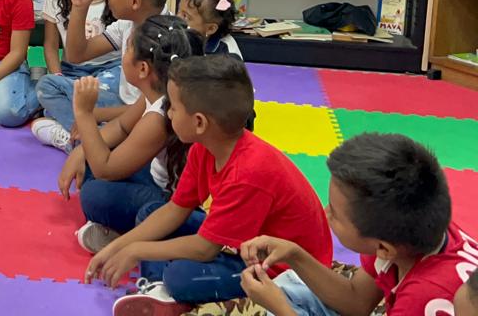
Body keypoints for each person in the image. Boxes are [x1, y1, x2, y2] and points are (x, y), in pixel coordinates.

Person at [90, 55, 332, 314]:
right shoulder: (204, 148)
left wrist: (137, 249)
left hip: (284, 270)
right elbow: (175, 209)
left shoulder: (248, 172)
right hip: (243, 244)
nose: (168, 113)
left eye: (173, 107)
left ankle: (168, 291)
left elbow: (205, 248)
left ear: (199, 122)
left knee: (181, 275)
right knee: (152, 212)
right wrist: (120, 245)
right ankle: (158, 288)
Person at [237, 133, 477, 316]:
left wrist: (281, 309)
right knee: (290, 287)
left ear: (383, 248)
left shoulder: (423, 298)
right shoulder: (406, 235)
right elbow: (356, 301)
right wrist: (294, 254)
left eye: (336, 214)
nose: (325, 212)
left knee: (283, 298)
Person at [59, 16, 203, 254]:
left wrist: (84, 114)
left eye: (126, 50)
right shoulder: (154, 93)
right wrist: (80, 150)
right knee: (95, 158)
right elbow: (122, 127)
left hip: (169, 199)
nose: (122, 57)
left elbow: (106, 168)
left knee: (94, 196)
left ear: (143, 69)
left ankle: (131, 235)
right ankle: (129, 231)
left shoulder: (160, 116)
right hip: (155, 178)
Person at [33, 0, 173, 151]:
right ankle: (94, 138)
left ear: (134, 2)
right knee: (47, 86)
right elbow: (76, 55)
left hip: (144, 117)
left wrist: (91, 115)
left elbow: (150, 109)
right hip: (121, 101)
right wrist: (80, 8)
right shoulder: (128, 23)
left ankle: (84, 143)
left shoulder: (167, 41)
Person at [37, 0, 121, 132]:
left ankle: (77, 129)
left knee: (120, 89)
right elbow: (50, 45)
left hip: (110, 70)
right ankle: (96, 130)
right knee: (44, 88)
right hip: (72, 72)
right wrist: (57, 74)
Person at [178, 0, 242, 58]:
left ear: (211, 28)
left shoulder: (226, 55)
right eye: (178, 11)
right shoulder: (178, 37)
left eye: (185, 16)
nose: (177, 18)